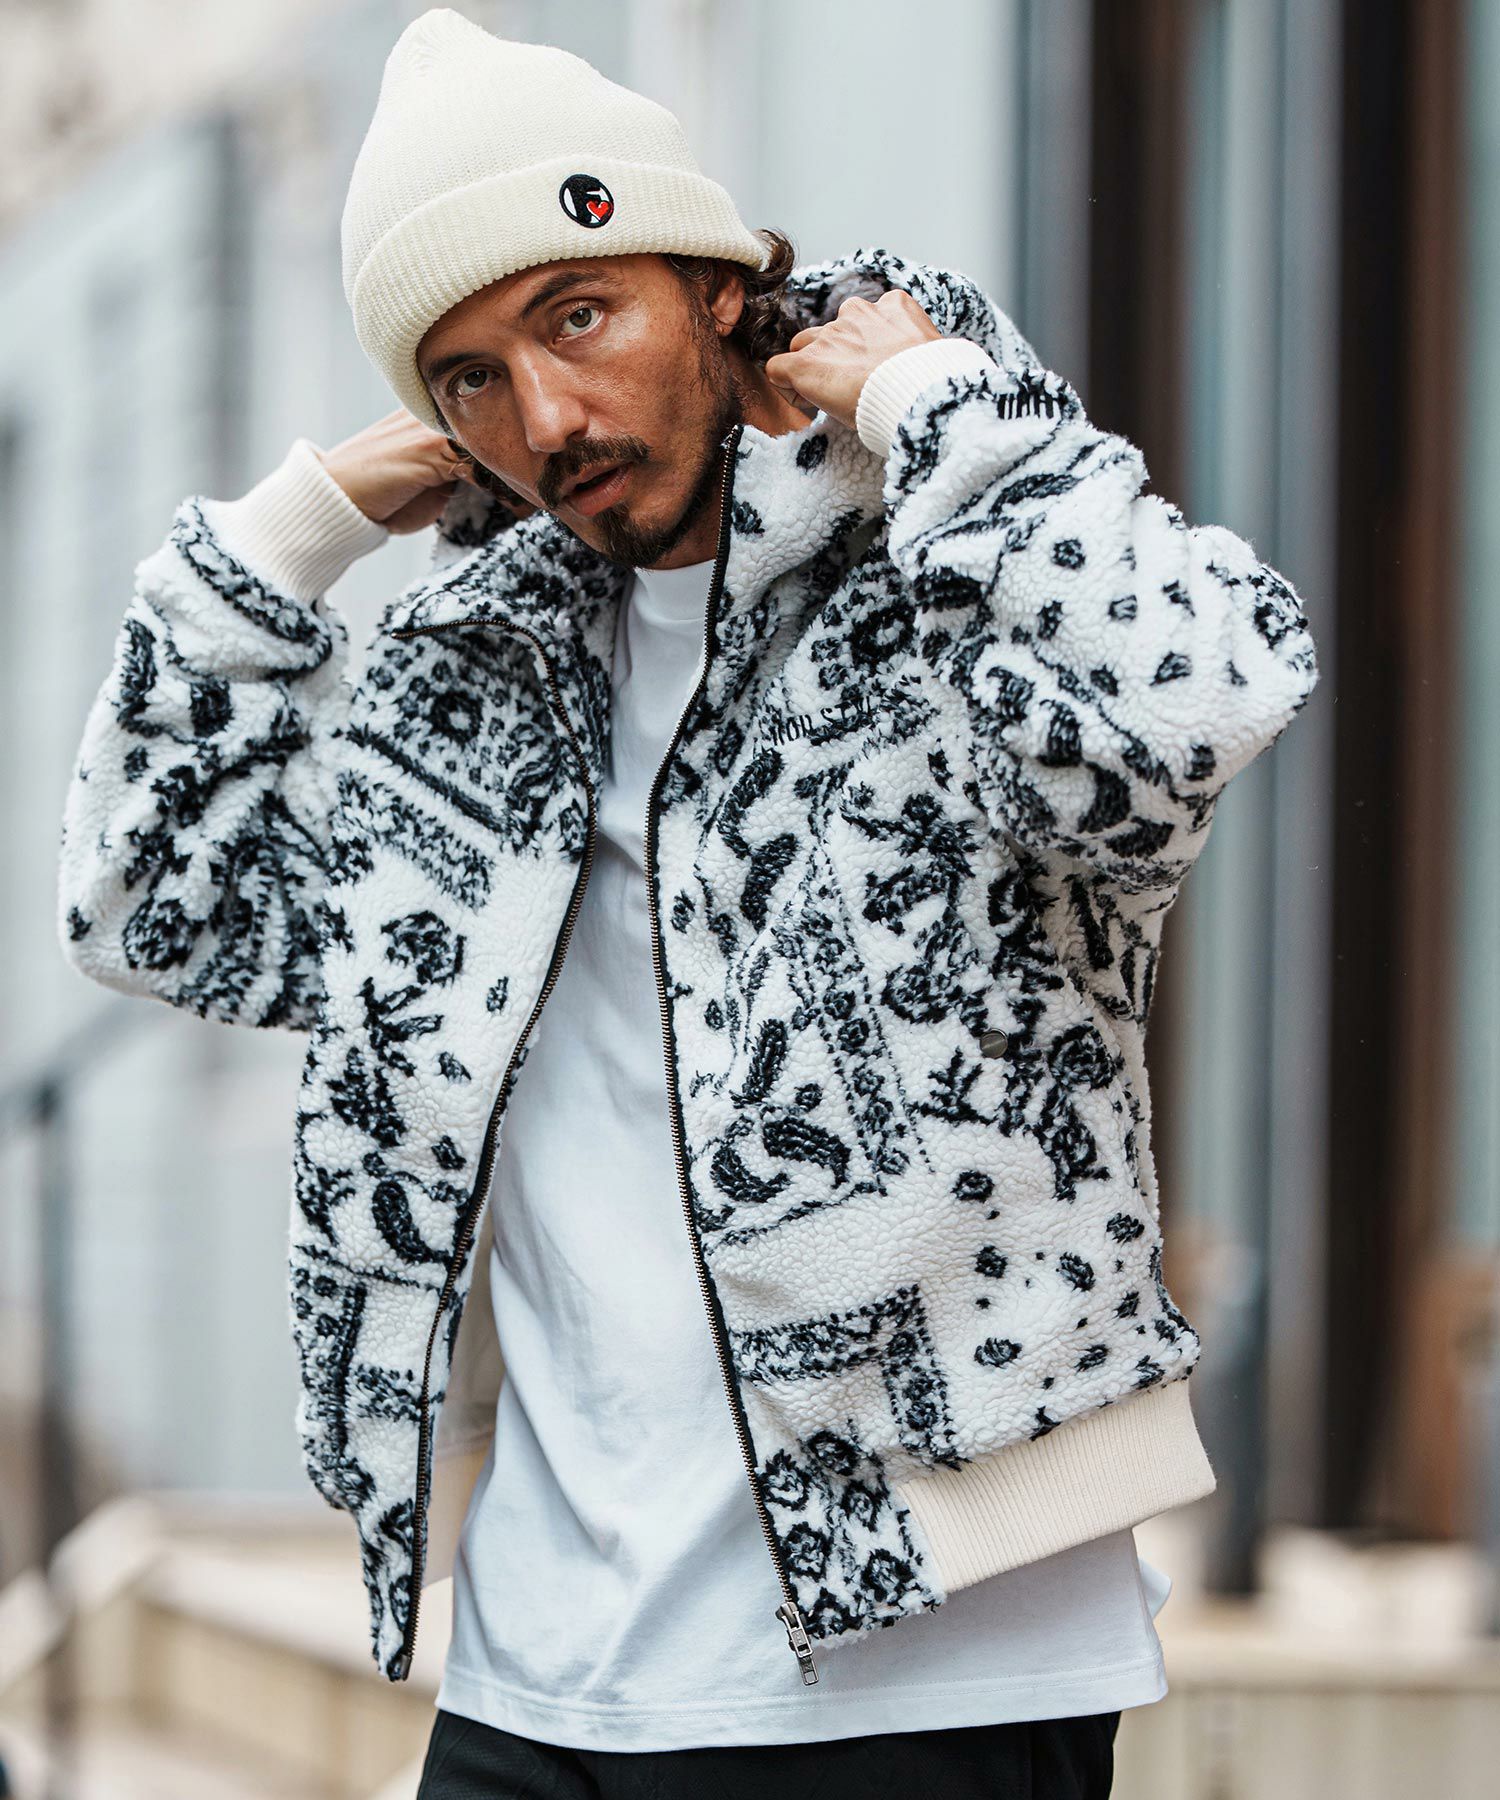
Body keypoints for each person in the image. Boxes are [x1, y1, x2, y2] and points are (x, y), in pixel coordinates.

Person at [54, 10, 1320, 1797]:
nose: (545, 420)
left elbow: (1195, 699)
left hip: (932, 1670)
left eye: (577, 315)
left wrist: (939, 406)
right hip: (539, 1675)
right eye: (468, 378)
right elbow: (152, 906)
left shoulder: (939, 573)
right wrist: (295, 534)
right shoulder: (466, 682)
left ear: (719, 287)